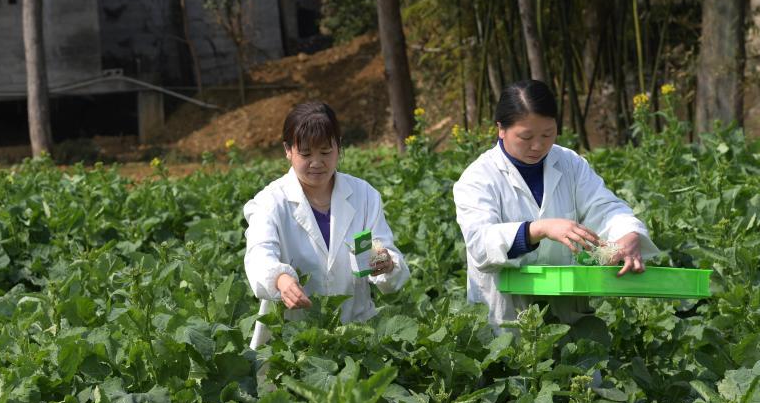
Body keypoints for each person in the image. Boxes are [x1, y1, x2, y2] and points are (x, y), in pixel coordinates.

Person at [453, 79, 659, 328]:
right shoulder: (478, 177)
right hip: (506, 319)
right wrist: (539, 229)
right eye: (526, 137)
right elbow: (480, 244)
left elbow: (604, 208)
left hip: (568, 316)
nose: (538, 145)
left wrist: (628, 234)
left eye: (547, 134)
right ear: (501, 129)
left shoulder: (570, 163)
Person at [244, 101, 410, 349]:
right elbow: (259, 254)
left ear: (339, 147)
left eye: (325, 152)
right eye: (306, 154)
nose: (317, 162)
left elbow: (385, 256)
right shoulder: (270, 202)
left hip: (356, 335)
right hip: (294, 342)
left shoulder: (364, 195)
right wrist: (280, 279)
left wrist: (385, 264)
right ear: (288, 150)